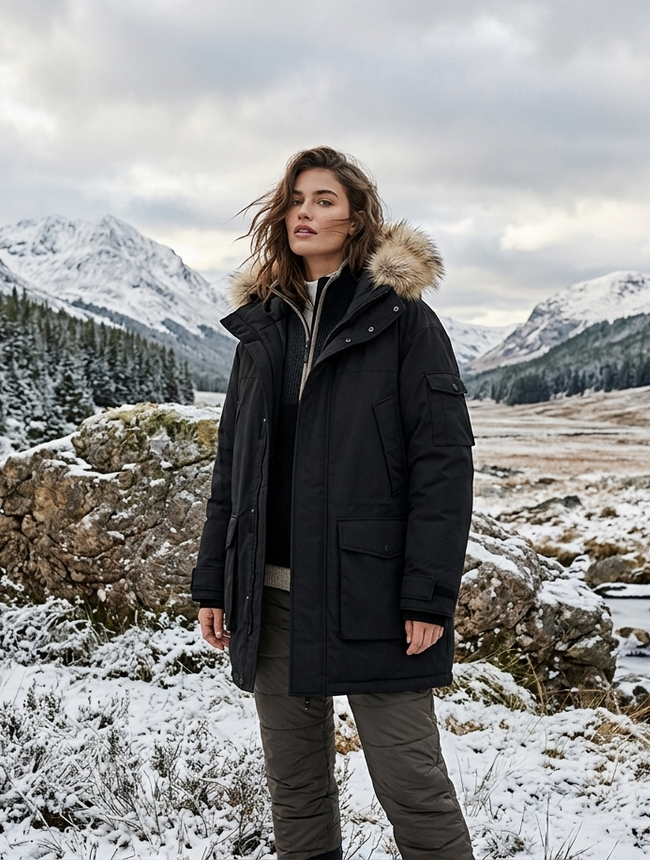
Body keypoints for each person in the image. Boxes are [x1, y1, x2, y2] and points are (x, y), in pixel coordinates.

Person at [192, 146, 475, 860]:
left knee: (413, 788)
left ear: (355, 220)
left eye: (322, 200)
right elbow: (234, 465)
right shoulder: (262, 327)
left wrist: (427, 595)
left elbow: (443, 465)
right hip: (273, 596)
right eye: (295, 200)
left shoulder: (403, 319)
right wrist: (215, 581)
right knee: (296, 788)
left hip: (372, 596)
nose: (304, 213)